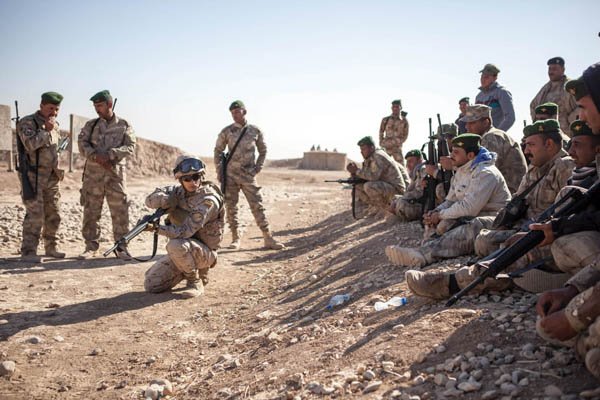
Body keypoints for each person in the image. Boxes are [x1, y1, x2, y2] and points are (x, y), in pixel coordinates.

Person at [386, 134, 510, 268]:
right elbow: (450, 201)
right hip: (472, 216)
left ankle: (424, 255)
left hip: (496, 220)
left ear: (470, 155)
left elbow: (469, 208)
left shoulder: (485, 173)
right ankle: (428, 247)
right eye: (452, 151)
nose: (451, 155)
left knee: (472, 225)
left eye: (456, 152)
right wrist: (435, 212)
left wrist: (440, 215)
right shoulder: (461, 171)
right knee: (442, 223)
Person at [143, 156, 224, 298]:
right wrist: (165, 200)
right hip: (185, 250)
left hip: (205, 253)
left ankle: (195, 281)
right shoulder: (177, 192)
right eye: (187, 179)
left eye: (196, 177)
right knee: (152, 284)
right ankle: (188, 269)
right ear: (180, 180)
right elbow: (149, 201)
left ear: (201, 176)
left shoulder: (208, 200)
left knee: (175, 245)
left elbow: (185, 232)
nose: (193, 182)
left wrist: (157, 229)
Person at [213, 100, 284, 250]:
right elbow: (218, 150)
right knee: (231, 208)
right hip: (230, 175)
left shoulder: (254, 131)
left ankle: (268, 237)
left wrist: (258, 168)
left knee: (257, 205)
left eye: (237, 112)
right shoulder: (227, 131)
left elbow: (263, 151)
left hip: (248, 175)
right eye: (232, 113)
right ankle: (235, 239)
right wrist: (220, 171)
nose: (234, 115)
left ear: (244, 112)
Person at [77, 90, 136, 260]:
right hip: (93, 177)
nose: (97, 109)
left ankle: (121, 247)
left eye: (100, 105)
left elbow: (130, 146)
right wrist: (95, 156)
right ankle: (90, 247)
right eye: (95, 106)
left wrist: (110, 155)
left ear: (109, 104)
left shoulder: (124, 125)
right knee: (91, 212)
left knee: (120, 212)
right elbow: (82, 144)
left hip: (115, 177)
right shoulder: (91, 125)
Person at [17, 92, 66, 262]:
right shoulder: (27, 122)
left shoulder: (55, 125)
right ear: (41, 106)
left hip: (52, 177)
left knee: (54, 213)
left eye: (57, 109)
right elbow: (30, 144)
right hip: (33, 176)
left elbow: (55, 149)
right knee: (35, 215)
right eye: (51, 108)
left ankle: (51, 247)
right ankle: (28, 252)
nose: (54, 112)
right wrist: (45, 130)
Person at [460, 104, 527, 193]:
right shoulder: (491, 135)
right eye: (467, 123)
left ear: (486, 122)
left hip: (509, 193)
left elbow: (483, 173)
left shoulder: (491, 137)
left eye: (472, 123)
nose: (467, 127)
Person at [346, 136, 406, 216]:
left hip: (397, 192)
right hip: (386, 188)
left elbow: (373, 177)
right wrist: (354, 175)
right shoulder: (370, 158)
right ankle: (375, 206)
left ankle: (383, 209)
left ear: (372, 148)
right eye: (361, 150)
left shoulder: (378, 156)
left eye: (364, 149)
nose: (361, 152)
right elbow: (366, 176)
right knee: (357, 185)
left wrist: (357, 171)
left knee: (369, 186)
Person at [530, 57, 578, 137]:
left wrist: (569, 120)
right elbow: (533, 105)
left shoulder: (570, 86)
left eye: (554, 69)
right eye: (549, 69)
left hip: (567, 134)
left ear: (563, 70)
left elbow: (581, 106)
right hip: (546, 133)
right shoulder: (545, 88)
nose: (551, 72)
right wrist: (538, 122)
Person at [475, 64, 515, 132]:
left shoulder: (502, 92)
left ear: (495, 77)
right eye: (482, 77)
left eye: (486, 77)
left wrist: (496, 133)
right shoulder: (479, 96)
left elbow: (510, 117)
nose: (483, 80)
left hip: (494, 136)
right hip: (480, 135)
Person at [389, 149, 426, 221]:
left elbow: (420, 193)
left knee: (401, 204)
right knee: (394, 198)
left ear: (419, 160)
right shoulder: (415, 172)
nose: (407, 165)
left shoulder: (423, 169)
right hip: (418, 202)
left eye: (410, 161)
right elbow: (409, 191)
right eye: (407, 162)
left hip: (425, 205)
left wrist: (401, 199)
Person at [379, 99, 409, 164]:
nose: (395, 108)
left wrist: (399, 141)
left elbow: (406, 134)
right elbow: (381, 131)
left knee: (401, 166)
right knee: (382, 166)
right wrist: (381, 142)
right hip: (386, 147)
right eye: (393, 107)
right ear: (391, 108)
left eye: (397, 107)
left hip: (397, 148)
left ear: (400, 108)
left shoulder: (404, 121)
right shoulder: (385, 120)